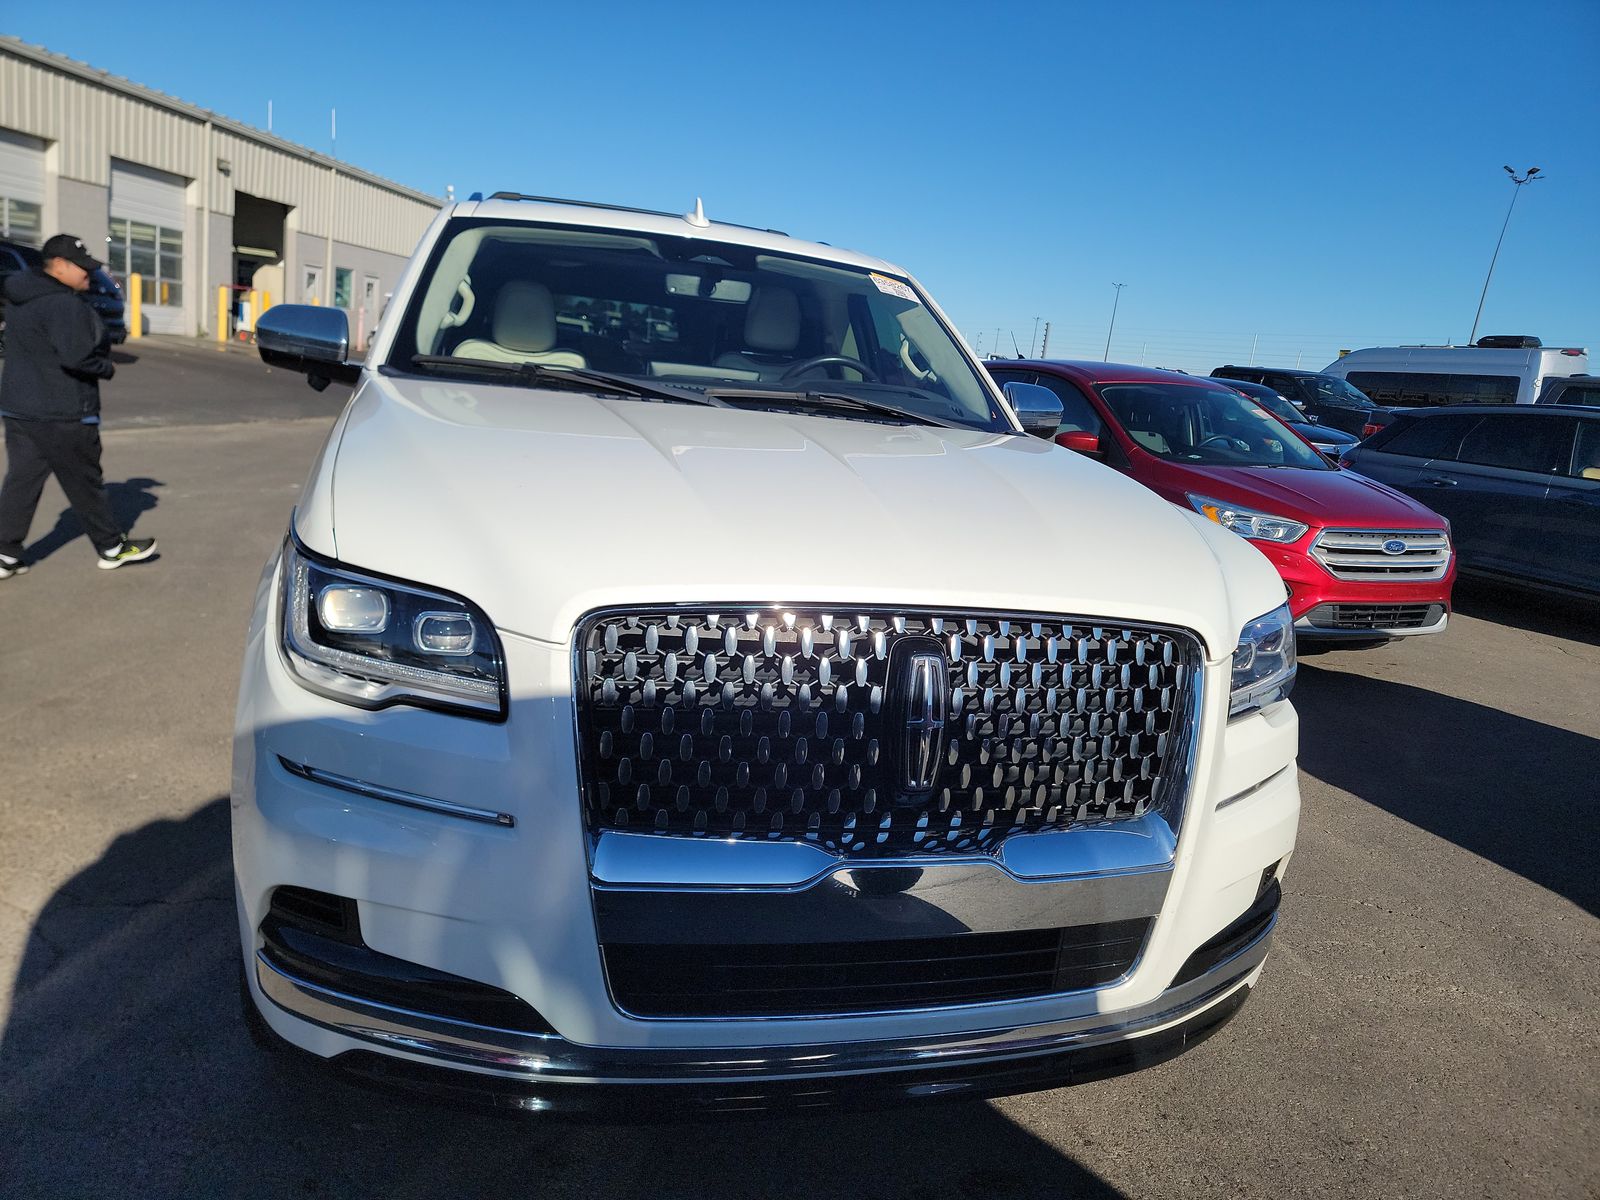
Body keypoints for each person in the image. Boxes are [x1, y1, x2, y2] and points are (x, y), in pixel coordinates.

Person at [0, 233, 155, 579]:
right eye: (82, 268)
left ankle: (5, 554)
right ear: (58, 266)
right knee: (86, 483)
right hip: (64, 411)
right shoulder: (64, 305)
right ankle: (112, 548)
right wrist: (107, 366)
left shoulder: (19, 296)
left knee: (21, 481)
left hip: (19, 408)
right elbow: (79, 357)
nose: (89, 274)